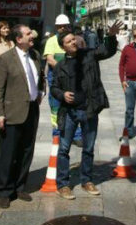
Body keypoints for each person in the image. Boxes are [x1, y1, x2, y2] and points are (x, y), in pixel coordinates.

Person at [49, 20, 121, 199]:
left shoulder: (89, 55)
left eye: (74, 39)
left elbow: (107, 51)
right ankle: (63, 184)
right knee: (64, 149)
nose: (73, 42)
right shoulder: (60, 66)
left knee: (88, 148)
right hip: (69, 113)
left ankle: (86, 180)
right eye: (69, 42)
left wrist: (111, 36)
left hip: (89, 110)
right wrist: (62, 94)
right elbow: (54, 88)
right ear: (63, 47)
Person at [0, 23, 45, 209]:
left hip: (31, 110)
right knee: (8, 153)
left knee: (26, 151)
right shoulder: (6, 59)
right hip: (12, 113)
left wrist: (40, 93)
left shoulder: (36, 55)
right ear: (18, 39)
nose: (33, 36)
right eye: (28, 33)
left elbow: (41, 77)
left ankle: (20, 186)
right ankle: (4, 190)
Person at [42, 14, 72, 136]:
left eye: (65, 26)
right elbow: (50, 59)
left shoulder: (72, 39)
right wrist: (64, 69)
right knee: (55, 104)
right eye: (60, 26)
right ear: (56, 27)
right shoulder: (51, 40)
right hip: (56, 77)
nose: (63, 28)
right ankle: (57, 131)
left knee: (72, 104)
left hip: (70, 77)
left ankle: (74, 133)